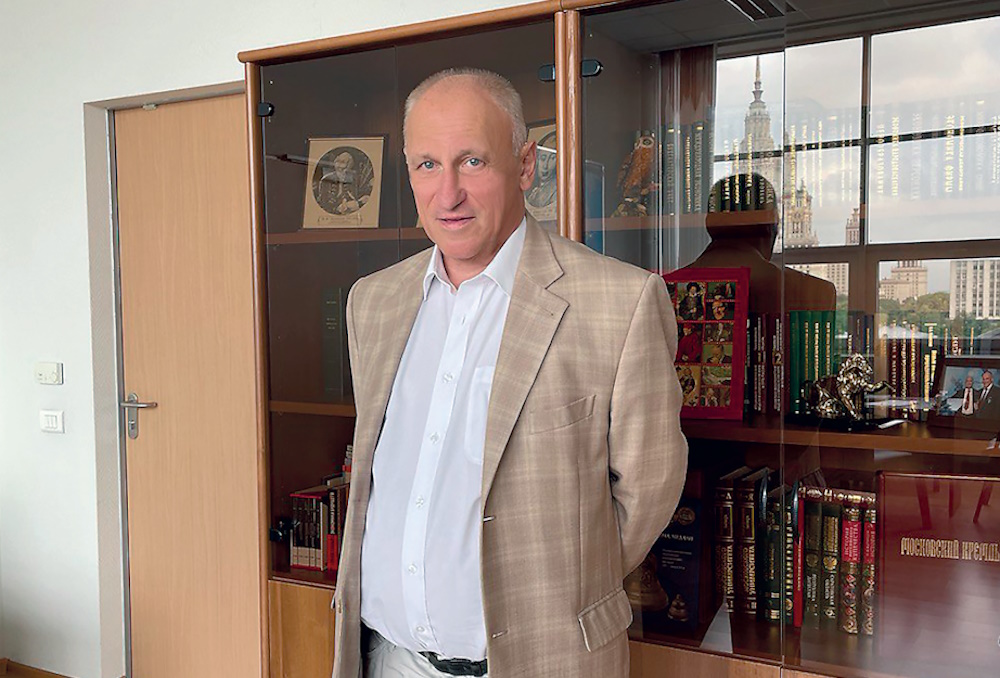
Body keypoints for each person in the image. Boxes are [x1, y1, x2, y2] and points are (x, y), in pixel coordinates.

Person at [332, 68, 688, 678]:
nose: (447, 195)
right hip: (388, 659)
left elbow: (648, 488)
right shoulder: (374, 300)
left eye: (472, 161)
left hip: (542, 662)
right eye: (426, 165)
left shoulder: (620, 302)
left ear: (525, 165)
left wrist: (559, 591)